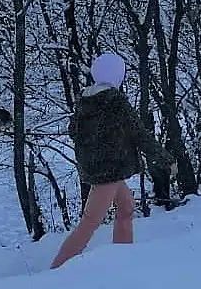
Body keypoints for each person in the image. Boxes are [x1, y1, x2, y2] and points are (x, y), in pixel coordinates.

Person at [50, 52, 177, 269]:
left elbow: (74, 132)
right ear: (117, 76)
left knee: (126, 207)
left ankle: (123, 257)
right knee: (90, 222)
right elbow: (140, 136)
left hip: (97, 169)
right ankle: (56, 269)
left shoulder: (85, 102)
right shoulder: (116, 103)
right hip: (109, 173)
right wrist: (167, 161)